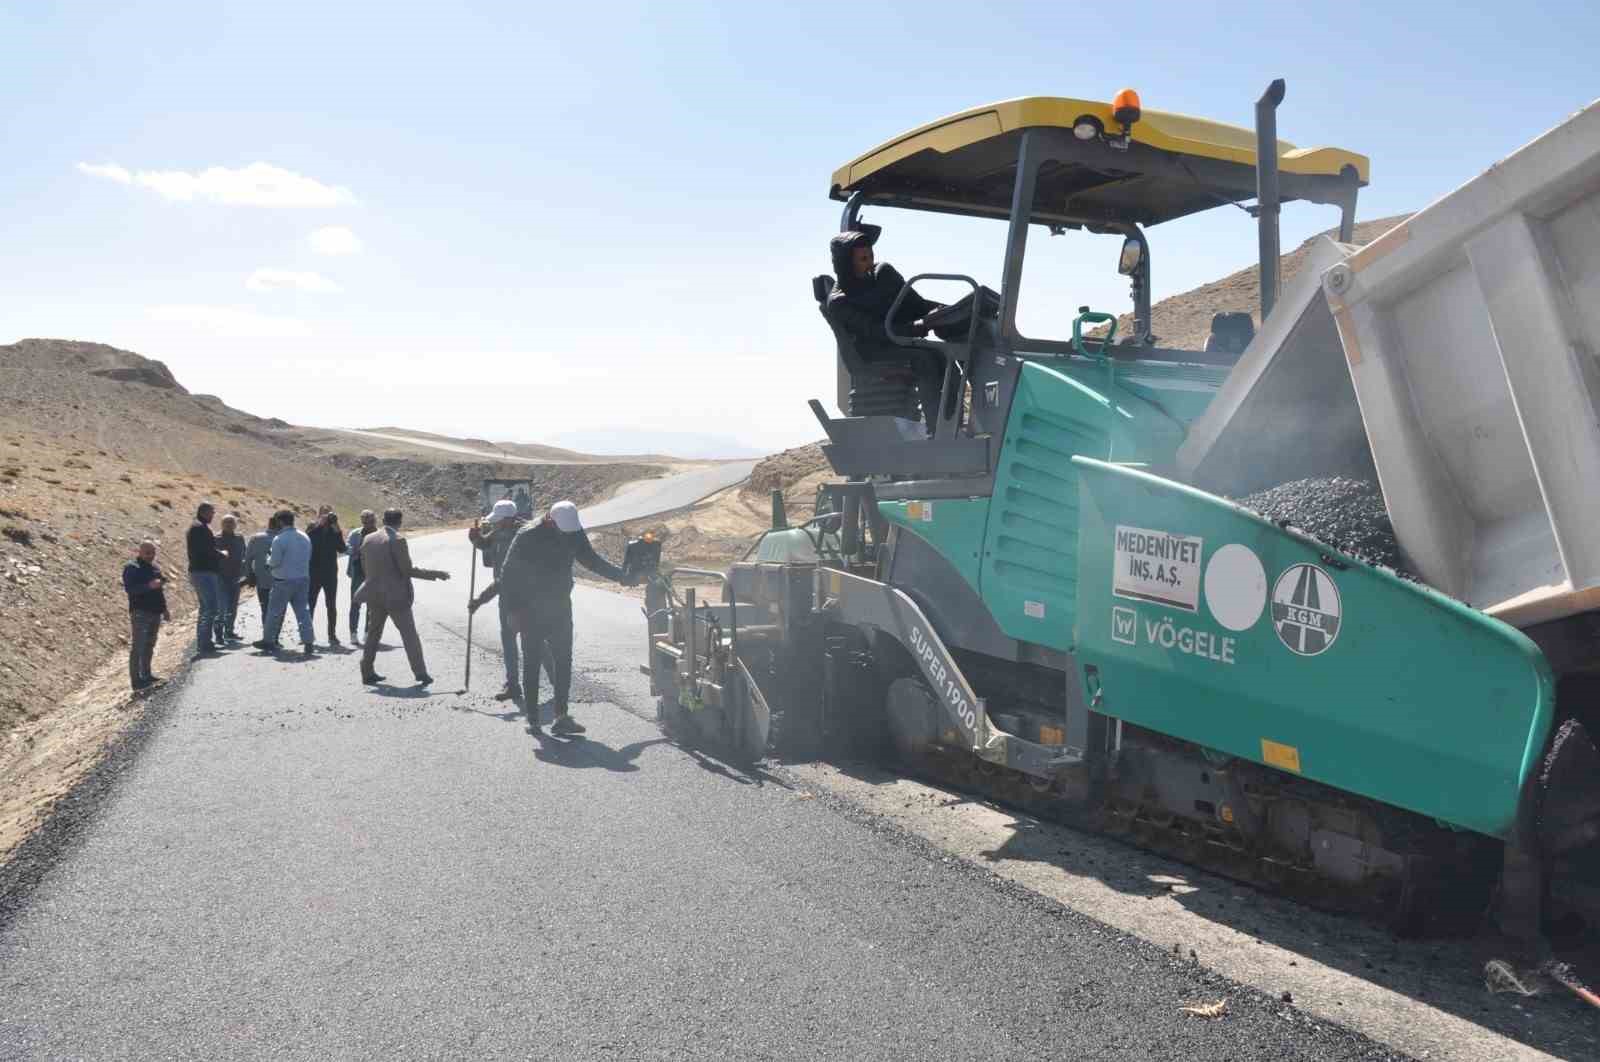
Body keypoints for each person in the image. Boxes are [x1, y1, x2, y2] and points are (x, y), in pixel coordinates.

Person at [470, 500, 633, 735]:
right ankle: (533, 719)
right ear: (549, 519)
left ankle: (561, 716)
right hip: (529, 609)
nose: (565, 535)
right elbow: (508, 575)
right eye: (560, 530)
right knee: (532, 662)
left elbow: (591, 560)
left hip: (559, 607)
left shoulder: (573, 532)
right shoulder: (527, 535)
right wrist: (513, 611)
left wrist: (621, 576)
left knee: (564, 661)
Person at [823, 228, 947, 431]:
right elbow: (873, 331)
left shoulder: (883, 275)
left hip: (895, 340)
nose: (870, 263)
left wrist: (941, 310)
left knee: (945, 354)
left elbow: (915, 303)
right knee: (925, 359)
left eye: (871, 256)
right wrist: (912, 329)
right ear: (846, 264)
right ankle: (938, 429)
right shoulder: (839, 302)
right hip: (873, 351)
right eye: (863, 259)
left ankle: (951, 421)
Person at [358, 508, 450, 686]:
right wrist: (435, 574)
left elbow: (364, 567)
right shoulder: (397, 540)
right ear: (399, 522)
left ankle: (367, 671)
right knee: (409, 635)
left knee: (373, 634)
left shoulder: (368, 539)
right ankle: (420, 672)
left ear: (383, 520)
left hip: (375, 594)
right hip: (396, 596)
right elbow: (406, 570)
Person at [468, 499, 527, 701]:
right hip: (507, 596)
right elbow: (486, 543)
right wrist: (476, 539)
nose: (493, 524)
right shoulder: (500, 532)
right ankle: (513, 684)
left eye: (497, 521)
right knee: (509, 640)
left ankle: (556, 681)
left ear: (508, 520)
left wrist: (479, 600)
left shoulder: (522, 537)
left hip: (523, 597)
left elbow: (504, 580)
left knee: (531, 639)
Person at [259, 509, 316, 656]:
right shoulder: (304, 537)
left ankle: (268, 640)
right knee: (303, 611)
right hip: (303, 578)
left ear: (280, 522)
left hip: (283, 580)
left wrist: (267, 562)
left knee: (274, 612)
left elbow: (275, 562)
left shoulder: (280, 539)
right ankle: (308, 641)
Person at [122, 539, 171, 692]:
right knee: (138, 646)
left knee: (149, 645)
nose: (151, 555)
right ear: (140, 552)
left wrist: (165, 610)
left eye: (153, 553)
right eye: (147, 553)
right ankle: (136, 682)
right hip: (140, 612)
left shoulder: (154, 568)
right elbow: (131, 589)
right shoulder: (132, 568)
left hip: (155, 612)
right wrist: (149, 586)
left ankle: (147, 675)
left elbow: (159, 591)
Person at [185, 502, 231, 658]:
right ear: (204, 512)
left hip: (202, 572)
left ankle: (204, 642)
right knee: (210, 607)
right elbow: (206, 550)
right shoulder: (199, 528)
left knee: (206, 608)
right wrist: (222, 554)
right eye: (212, 513)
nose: (213, 516)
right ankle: (204, 643)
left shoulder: (199, 527)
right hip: (202, 572)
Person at [307, 506, 348, 646]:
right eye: (324, 513)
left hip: (330, 573)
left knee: (331, 604)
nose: (327, 516)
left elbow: (342, 549)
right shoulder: (313, 527)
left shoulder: (334, 530)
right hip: (314, 572)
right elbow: (307, 542)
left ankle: (332, 635)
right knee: (310, 603)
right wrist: (319, 525)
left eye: (329, 514)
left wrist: (337, 529)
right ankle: (307, 634)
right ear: (319, 515)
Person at [346, 509, 377, 646]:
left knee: (372, 605)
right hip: (358, 571)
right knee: (355, 602)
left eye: (370, 520)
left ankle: (367, 633)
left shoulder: (379, 534)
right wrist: (356, 550)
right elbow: (347, 547)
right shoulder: (355, 534)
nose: (368, 523)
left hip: (374, 572)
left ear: (374, 520)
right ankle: (353, 633)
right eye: (365, 520)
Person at [215, 513, 246, 644]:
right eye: (226, 522)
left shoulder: (239, 538)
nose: (229, 525)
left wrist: (245, 573)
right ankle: (218, 634)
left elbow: (244, 554)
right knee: (221, 607)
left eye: (231, 522)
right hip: (220, 577)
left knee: (233, 606)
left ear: (235, 525)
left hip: (236, 577)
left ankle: (229, 631)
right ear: (221, 524)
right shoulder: (216, 538)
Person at [243, 514, 279, 628]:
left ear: (269, 524)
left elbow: (247, 559)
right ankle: (275, 636)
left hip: (262, 579)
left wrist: (249, 575)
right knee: (278, 609)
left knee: (265, 608)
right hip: (280, 581)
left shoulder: (256, 538)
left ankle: (267, 634)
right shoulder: (284, 539)